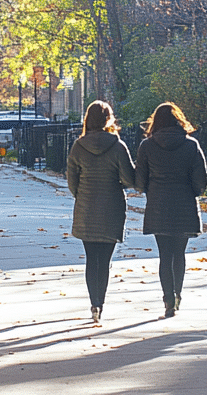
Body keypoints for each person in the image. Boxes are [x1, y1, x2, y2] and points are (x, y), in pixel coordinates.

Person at [134, 102, 207, 319]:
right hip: (184, 204)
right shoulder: (191, 145)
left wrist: (151, 189)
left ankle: (167, 299)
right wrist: (193, 191)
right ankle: (178, 295)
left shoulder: (147, 147)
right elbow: (201, 181)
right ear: (179, 119)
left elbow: (139, 182)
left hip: (159, 205)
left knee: (165, 255)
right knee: (180, 254)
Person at [66, 100, 136, 325]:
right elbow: (128, 179)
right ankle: (100, 303)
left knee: (91, 259)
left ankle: (93, 302)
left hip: (87, 207)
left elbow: (72, 181)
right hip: (111, 207)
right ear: (109, 119)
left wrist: (82, 194)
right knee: (104, 260)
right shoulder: (118, 146)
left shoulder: (78, 146)